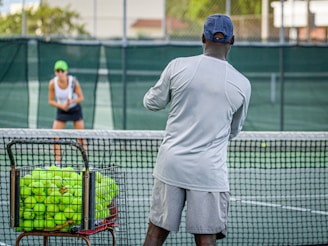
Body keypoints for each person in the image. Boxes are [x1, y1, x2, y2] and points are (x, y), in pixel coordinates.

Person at [143, 14, 251, 246]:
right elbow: (233, 130)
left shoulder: (177, 66)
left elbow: (152, 103)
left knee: (156, 231)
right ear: (232, 41)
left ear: (203, 38)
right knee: (206, 238)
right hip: (209, 172)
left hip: (171, 165)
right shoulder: (242, 84)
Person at [48, 59, 86, 164]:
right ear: (55, 72)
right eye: (57, 71)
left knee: (81, 137)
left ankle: (86, 163)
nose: (60, 73)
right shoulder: (52, 83)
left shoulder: (74, 82)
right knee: (55, 136)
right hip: (62, 111)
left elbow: (81, 98)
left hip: (75, 110)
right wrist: (62, 106)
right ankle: (57, 163)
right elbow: (50, 101)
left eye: (62, 71)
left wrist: (71, 102)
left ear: (66, 71)